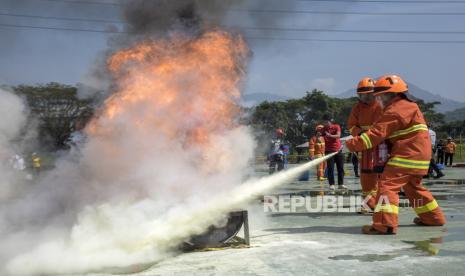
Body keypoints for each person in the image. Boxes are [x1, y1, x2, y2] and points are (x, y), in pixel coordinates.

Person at [345, 74, 446, 235]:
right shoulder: (409, 106)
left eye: (379, 96)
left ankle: (385, 225)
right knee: (414, 187)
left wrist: (350, 144)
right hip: (419, 155)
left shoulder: (394, 110)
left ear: (388, 94)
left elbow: (375, 135)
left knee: (386, 185)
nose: (378, 100)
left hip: (407, 154)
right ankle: (433, 218)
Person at [347, 77, 383, 211]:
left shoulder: (382, 105)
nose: (365, 98)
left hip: (382, 146)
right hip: (364, 147)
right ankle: (369, 204)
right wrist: (360, 133)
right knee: (366, 176)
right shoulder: (357, 108)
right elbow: (351, 126)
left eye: (368, 94)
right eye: (362, 95)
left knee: (381, 176)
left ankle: (382, 204)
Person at [322, 115, 346, 190]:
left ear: (330, 121)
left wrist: (329, 135)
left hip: (338, 150)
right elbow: (318, 136)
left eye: (327, 122)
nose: (325, 123)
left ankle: (341, 184)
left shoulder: (336, 126)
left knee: (341, 168)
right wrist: (319, 136)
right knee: (330, 168)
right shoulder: (323, 129)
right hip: (328, 151)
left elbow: (338, 135)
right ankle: (331, 184)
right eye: (324, 122)